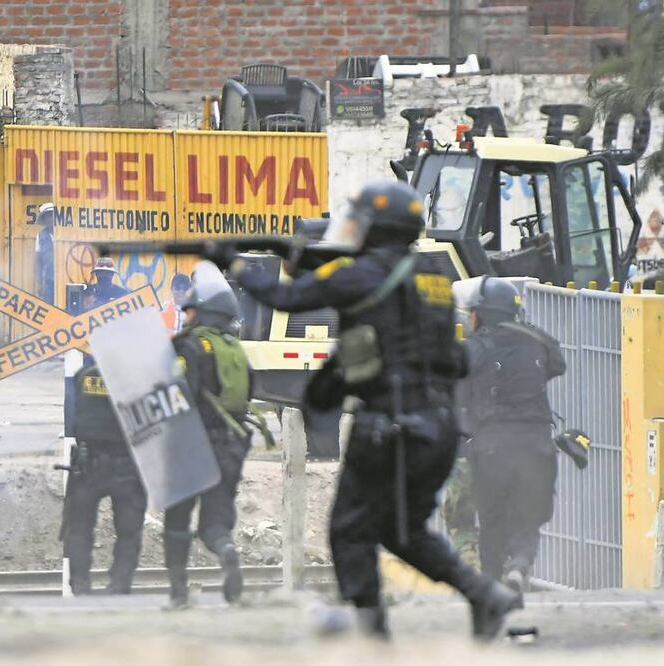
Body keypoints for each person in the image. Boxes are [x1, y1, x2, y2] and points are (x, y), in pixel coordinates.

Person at [222, 180, 521, 641]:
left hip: (389, 427)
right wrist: (300, 255)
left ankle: (373, 638)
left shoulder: (366, 274)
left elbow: (284, 297)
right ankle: (485, 595)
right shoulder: (433, 280)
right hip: (436, 428)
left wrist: (232, 262)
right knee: (403, 533)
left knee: (349, 530)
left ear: (377, 230)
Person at [460, 277, 566, 595]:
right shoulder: (538, 339)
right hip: (535, 443)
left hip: (491, 445)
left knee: (491, 518)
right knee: (528, 514)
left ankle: (492, 583)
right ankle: (519, 565)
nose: (470, 318)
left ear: (484, 313)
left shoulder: (474, 347)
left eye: (473, 312)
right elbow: (557, 364)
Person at [161, 262, 252, 608]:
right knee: (214, 523)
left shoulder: (189, 347)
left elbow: (177, 396)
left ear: (204, 313)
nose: (185, 317)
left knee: (178, 520)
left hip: (192, 448)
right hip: (230, 448)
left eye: (190, 311)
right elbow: (246, 400)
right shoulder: (236, 350)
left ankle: (179, 594)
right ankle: (227, 551)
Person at [62, 360, 148, 595]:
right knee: (129, 530)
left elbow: (71, 421)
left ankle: (80, 584)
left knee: (79, 527)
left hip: (88, 462)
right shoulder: (138, 378)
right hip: (127, 463)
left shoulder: (83, 375)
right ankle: (119, 585)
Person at [34, 203, 55, 304]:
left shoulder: (65, 233)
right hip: (48, 281)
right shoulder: (41, 236)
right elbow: (38, 262)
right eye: (48, 216)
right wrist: (39, 284)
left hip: (65, 279)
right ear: (44, 220)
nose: (51, 218)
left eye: (52, 215)